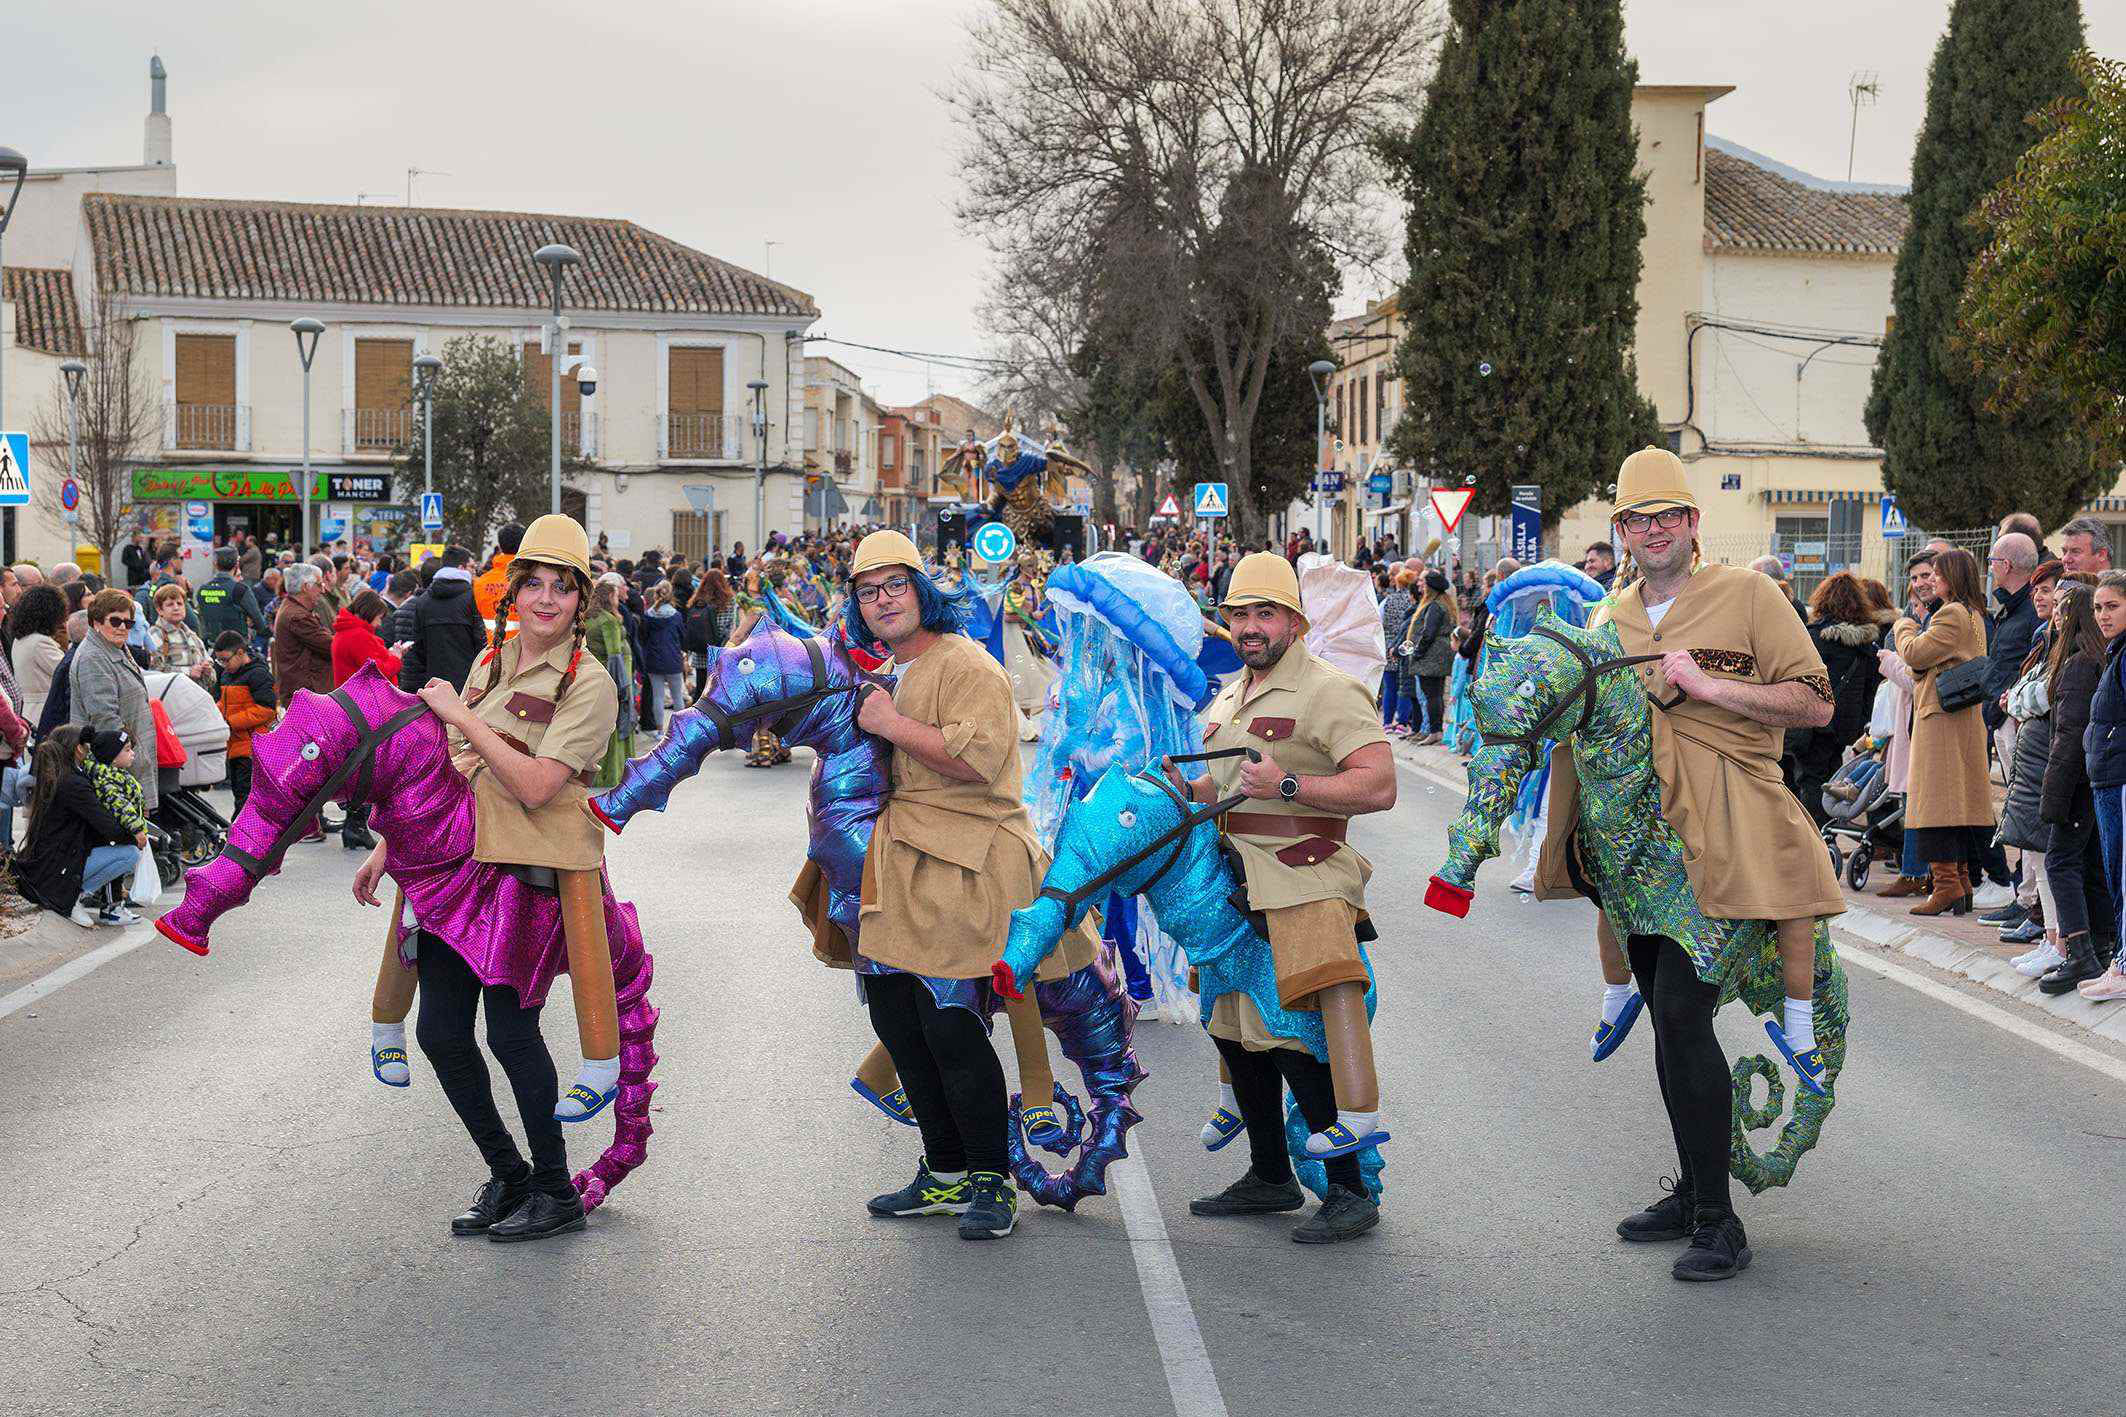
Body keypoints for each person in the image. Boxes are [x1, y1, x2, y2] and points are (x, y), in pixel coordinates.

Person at [1538, 447, 1839, 1281]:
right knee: (1675, 1028)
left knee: (1678, 1012)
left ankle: (1719, 1221)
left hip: (1732, 839)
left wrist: (1714, 689)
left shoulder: (1748, 594)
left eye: (1670, 514)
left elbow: (1816, 700)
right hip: (1638, 855)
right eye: (1639, 518)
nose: (1656, 529)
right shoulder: (1609, 620)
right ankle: (1697, 1186)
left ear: (1693, 523)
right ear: (1623, 531)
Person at [351, 513, 621, 1244]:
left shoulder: (588, 685)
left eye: (561, 589)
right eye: (531, 584)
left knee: (510, 1032)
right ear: (511, 595)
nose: (544, 599)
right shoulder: (491, 662)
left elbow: (537, 784)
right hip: (455, 868)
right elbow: (453, 769)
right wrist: (390, 843)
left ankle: (557, 1187)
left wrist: (463, 719)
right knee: (440, 1030)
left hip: (528, 872)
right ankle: (509, 1174)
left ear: (580, 601)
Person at [845, 530, 1098, 1242]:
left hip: (967, 863)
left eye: (895, 584)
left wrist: (891, 723)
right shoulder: (883, 667)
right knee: (898, 1023)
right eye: (868, 591)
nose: (883, 600)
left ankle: (992, 1177)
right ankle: (945, 1169)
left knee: (951, 1026)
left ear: (924, 590)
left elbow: (982, 759)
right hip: (898, 867)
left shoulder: (967, 662)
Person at [1167, 550, 1397, 1244]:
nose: (1250, 626)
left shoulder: (1329, 689)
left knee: (1299, 1038)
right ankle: (1269, 1173)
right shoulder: (1229, 695)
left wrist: (1291, 787)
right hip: (1234, 883)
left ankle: (1352, 1190)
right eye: (1239, 614)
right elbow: (1222, 788)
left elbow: (1379, 784)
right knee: (1237, 1032)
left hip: (1303, 880)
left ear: (1294, 620)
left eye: (1264, 613)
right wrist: (1189, 789)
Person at [2024, 582, 2120, 997]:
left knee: (2061, 862)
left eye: (2064, 610)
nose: (2055, 617)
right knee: (2094, 866)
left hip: (2079, 781)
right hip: (2092, 779)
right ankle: (2100, 944)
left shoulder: (2080, 664)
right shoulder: (2100, 657)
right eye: (2098, 607)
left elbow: (2068, 736)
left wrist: (2053, 796)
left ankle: (2079, 948)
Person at [1892, 547, 1996, 916]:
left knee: (1935, 803)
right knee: (1956, 802)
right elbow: (1936, 661)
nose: (1931, 580)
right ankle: (1961, 881)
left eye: (1936, 574)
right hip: (1960, 716)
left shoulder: (1951, 613)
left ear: (1951, 577)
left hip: (1942, 719)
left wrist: (1904, 626)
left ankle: (1947, 884)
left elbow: (1916, 654)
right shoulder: (1973, 614)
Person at [13, 726, 146, 926]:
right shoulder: (74, 784)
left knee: (123, 848)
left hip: (50, 861)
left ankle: (72, 893)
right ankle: (69, 895)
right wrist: (135, 837)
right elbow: (107, 825)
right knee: (129, 853)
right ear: (78, 749)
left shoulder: (61, 776)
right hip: (56, 866)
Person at [1790, 572, 1883, 823]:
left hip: (1812, 724)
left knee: (1809, 780)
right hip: (1845, 724)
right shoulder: (1866, 644)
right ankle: (1828, 832)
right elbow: (1870, 690)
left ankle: (1815, 836)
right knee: (1832, 777)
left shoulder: (1813, 638)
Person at [2076, 572, 2126, 997]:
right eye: (2097, 607)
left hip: (2121, 779)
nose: (2103, 615)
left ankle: (2124, 966)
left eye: (2112, 606)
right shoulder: (2117, 652)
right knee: (2116, 870)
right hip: (2108, 777)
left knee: (2123, 872)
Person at [70, 589, 158, 822]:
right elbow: (104, 718)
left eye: (128, 622)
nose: (122, 627)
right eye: (115, 621)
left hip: (128, 760)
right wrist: (133, 757)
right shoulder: (94, 657)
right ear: (96, 622)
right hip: (117, 767)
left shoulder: (115, 648)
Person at [330, 588, 406, 851]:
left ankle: (355, 826)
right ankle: (357, 826)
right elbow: (379, 671)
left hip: (355, 707)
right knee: (366, 770)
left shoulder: (348, 633)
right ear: (370, 612)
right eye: (380, 617)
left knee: (361, 768)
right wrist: (396, 658)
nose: (381, 622)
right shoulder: (359, 636)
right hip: (367, 711)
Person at [399, 545, 483, 693]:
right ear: (461, 567)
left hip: (435, 687)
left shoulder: (423, 601)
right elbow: (481, 644)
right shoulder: (473, 598)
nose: (473, 571)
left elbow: (418, 648)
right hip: (469, 687)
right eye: (471, 566)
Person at [211, 631, 275, 816]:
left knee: (246, 798)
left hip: (252, 747)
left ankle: (243, 838)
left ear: (240, 653)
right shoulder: (226, 675)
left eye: (225, 660)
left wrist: (230, 722)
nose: (223, 665)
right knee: (239, 793)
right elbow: (225, 702)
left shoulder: (258, 674)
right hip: (234, 746)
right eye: (219, 661)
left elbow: (266, 710)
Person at [586, 575, 635, 787]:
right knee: (619, 722)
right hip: (616, 675)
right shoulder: (609, 620)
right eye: (615, 595)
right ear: (609, 597)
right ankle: (615, 772)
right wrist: (623, 686)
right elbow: (615, 654)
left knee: (597, 725)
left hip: (593, 674)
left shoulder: (588, 617)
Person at [1408, 570, 1458, 746]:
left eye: (1422, 582)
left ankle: (1435, 731)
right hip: (1439, 654)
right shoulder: (1442, 603)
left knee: (1431, 695)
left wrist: (1417, 653)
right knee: (1435, 694)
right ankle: (1436, 731)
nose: (1419, 584)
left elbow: (1428, 633)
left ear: (1430, 586)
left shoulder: (1435, 606)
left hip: (1431, 655)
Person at [10, 584, 68, 726]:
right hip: (43, 710)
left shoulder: (20, 639)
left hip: (30, 710)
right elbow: (67, 671)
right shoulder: (40, 643)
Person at [636, 581, 686, 733]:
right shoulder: (676, 615)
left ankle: (659, 730)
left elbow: (643, 637)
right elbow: (682, 636)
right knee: (677, 696)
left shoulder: (648, 615)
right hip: (673, 659)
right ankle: (680, 728)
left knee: (657, 696)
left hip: (653, 660)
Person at [196, 547, 268, 650]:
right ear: (237, 565)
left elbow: (201, 621)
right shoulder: (240, 589)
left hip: (212, 648)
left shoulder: (202, 590)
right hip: (237, 651)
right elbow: (260, 622)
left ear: (215, 564)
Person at [685, 570, 736, 701]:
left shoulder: (697, 600)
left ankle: (697, 719)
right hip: (719, 653)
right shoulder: (728, 601)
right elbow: (726, 627)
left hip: (700, 653)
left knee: (700, 692)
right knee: (717, 694)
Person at [1378, 570, 1417, 735]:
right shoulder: (1412, 602)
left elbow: (1379, 621)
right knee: (1404, 687)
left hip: (1389, 646)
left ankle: (1387, 722)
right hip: (1406, 647)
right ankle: (1402, 722)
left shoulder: (1388, 601)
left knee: (1390, 687)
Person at [147, 584, 213, 680]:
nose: (176, 608)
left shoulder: (192, 636)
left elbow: (211, 677)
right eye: (170, 604)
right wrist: (188, 672)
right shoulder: (154, 636)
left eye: (180, 603)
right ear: (159, 610)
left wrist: (208, 672)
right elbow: (152, 672)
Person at [474, 524, 523, 625]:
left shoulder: (480, 583)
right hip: (527, 640)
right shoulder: (534, 580)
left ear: (500, 546)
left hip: (490, 640)